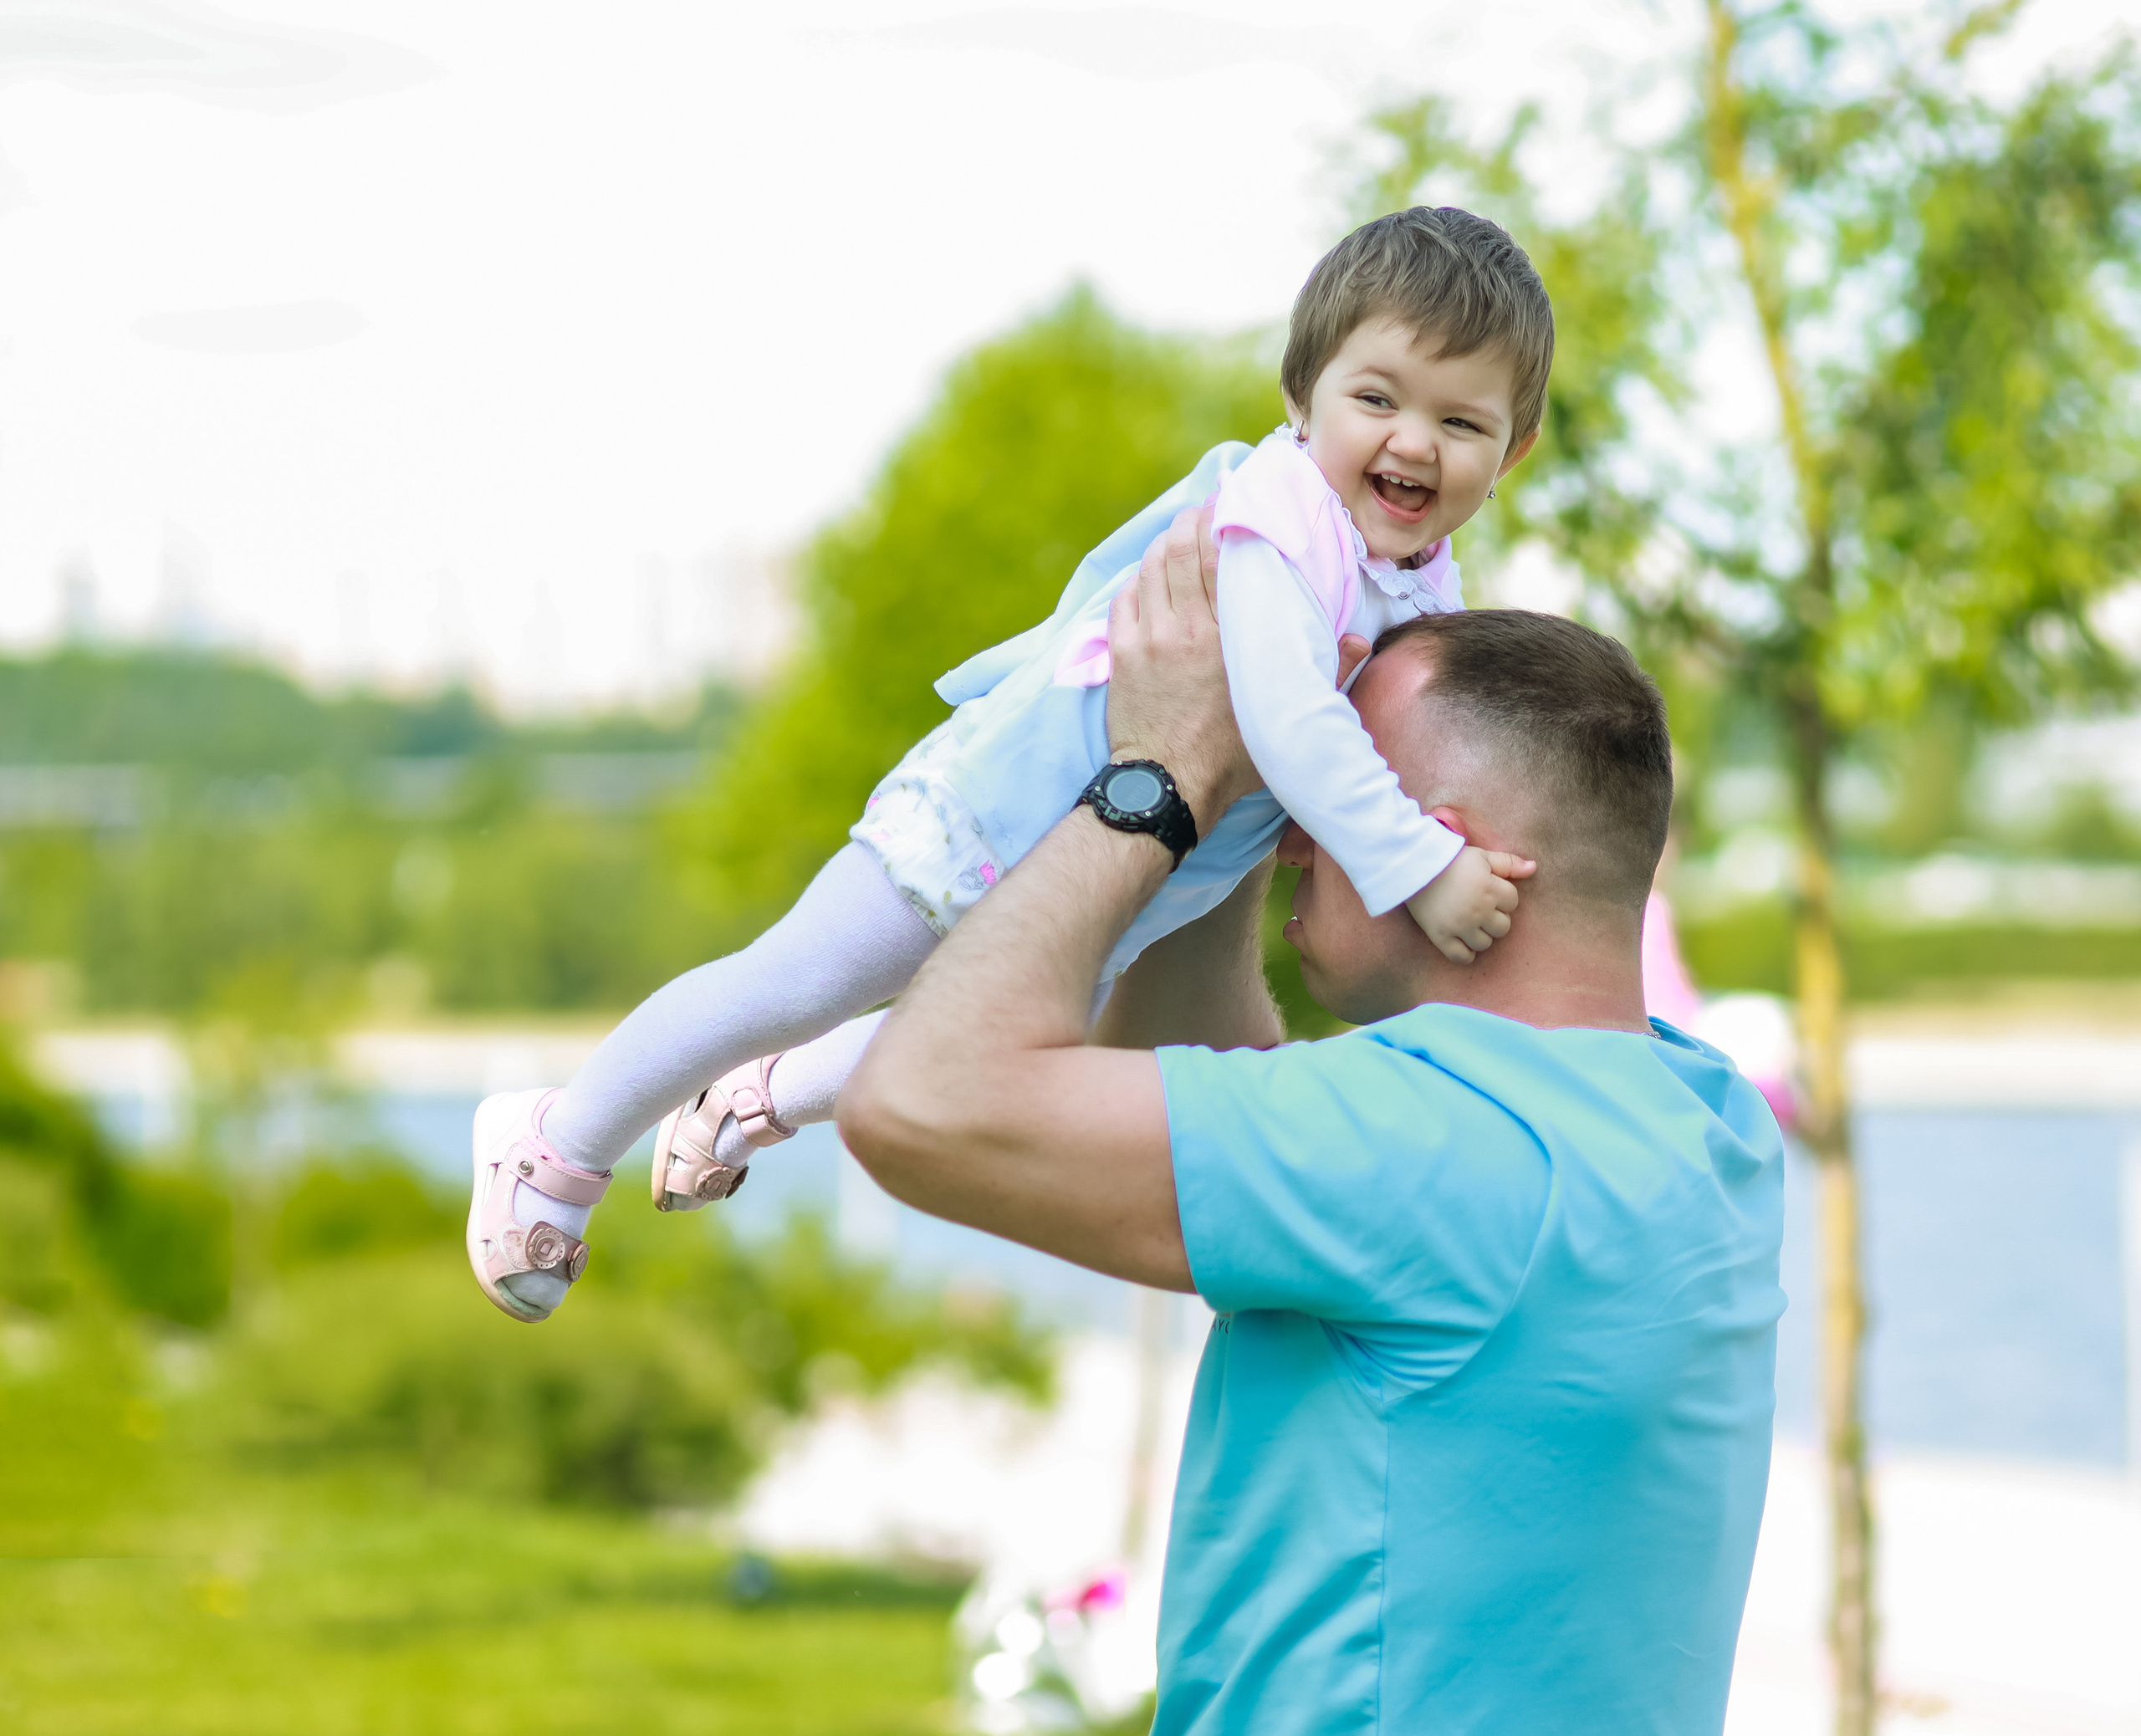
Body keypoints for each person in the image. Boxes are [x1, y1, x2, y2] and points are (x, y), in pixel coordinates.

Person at [467, 205, 1552, 1321]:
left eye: (1460, 422)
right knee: (799, 975)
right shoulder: (1282, 520)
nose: (1413, 442)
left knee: (1007, 1038)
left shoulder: (1422, 575)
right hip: (1001, 808)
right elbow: (1286, 716)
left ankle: (761, 1100)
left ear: (1512, 450)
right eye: (1376, 399)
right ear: (1301, 394)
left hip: (1128, 872)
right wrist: (1416, 865)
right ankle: (555, 1140)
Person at [837, 521, 1787, 1733]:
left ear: (1440, 850)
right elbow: (1191, 1097)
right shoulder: (1699, 1127)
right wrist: (1228, 825)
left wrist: (1162, 781)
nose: (1293, 830)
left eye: (1332, 783)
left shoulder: (1438, 1141)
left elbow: (918, 1102)